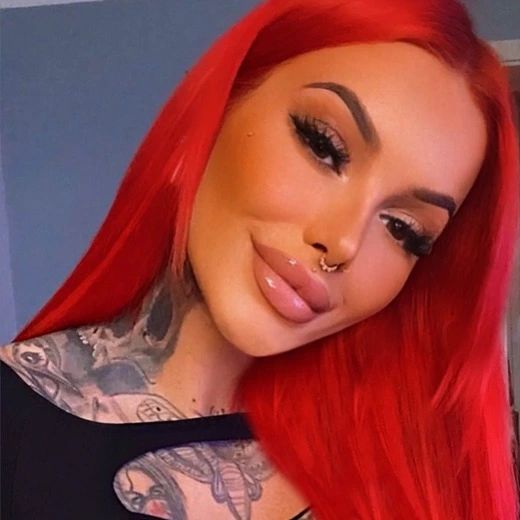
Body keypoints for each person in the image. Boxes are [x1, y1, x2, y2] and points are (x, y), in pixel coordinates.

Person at [1, 0, 519, 518]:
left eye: (403, 229)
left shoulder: (402, 464)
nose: (343, 242)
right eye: (324, 146)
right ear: (215, 110)